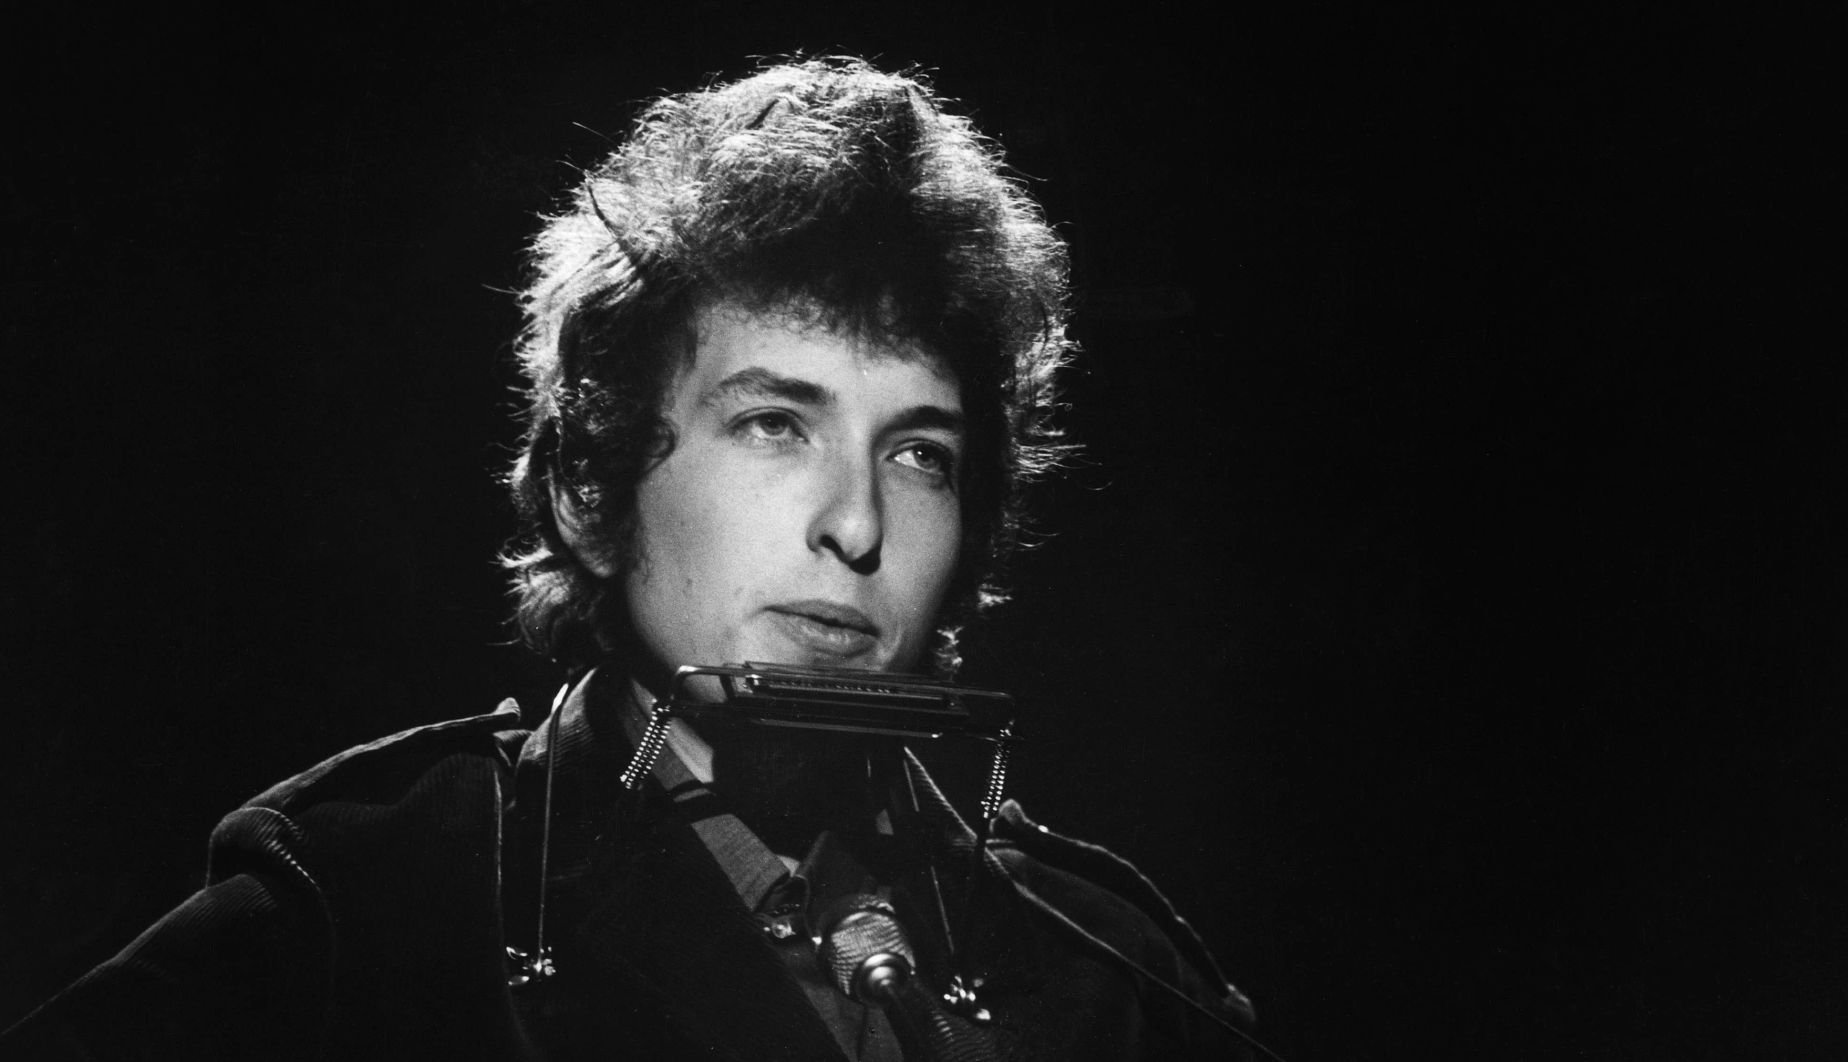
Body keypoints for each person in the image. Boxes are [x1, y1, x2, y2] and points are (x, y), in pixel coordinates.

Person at [5, 58, 1264, 1060]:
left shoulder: (1117, 972)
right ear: (590, 486)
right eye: (778, 424)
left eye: (921, 454)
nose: (860, 526)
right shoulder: (372, 900)